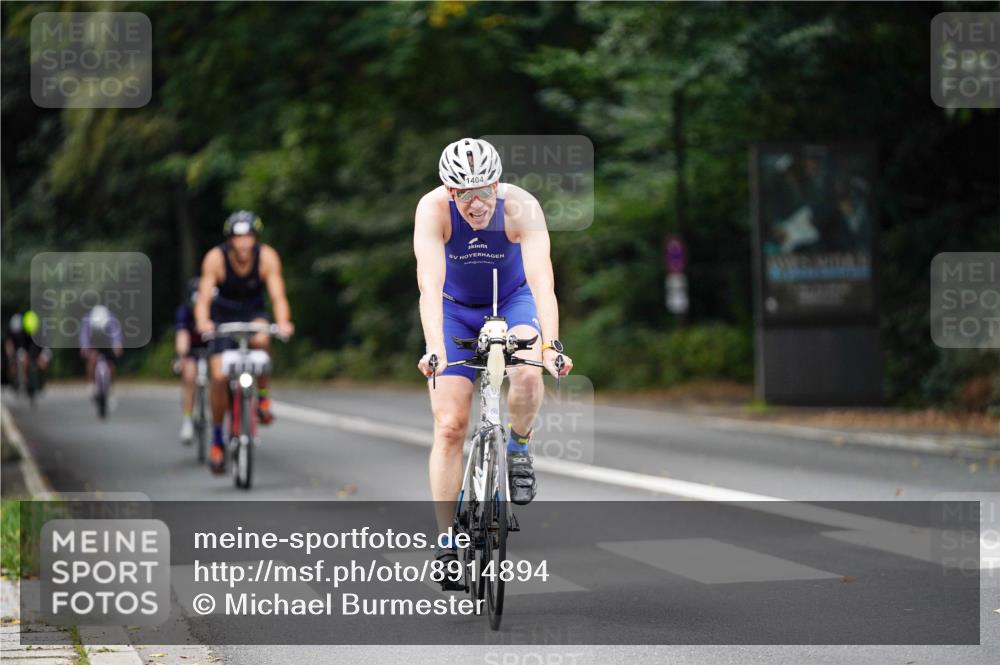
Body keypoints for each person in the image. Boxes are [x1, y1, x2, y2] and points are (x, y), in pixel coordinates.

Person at [413, 138, 573, 586]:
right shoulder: (432, 211)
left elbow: (543, 284)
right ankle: (447, 542)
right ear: (449, 192)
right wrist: (434, 349)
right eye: (464, 194)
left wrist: (551, 346)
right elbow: (429, 285)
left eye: (484, 190)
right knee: (449, 425)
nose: (476, 203)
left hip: (513, 301)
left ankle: (519, 446)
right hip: (454, 308)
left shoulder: (522, 207)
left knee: (527, 368)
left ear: (497, 184)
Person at [194, 210, 294, 475]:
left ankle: (262, 398)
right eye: (238, 238)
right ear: (230, 240)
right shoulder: (215, 259)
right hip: (223, 317)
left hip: (253, 313)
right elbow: (203, 298)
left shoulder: (267, 257)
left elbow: (278, 296)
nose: (243, 244)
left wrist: (283, 323)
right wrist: (204, 322)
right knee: (218, 376)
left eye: (248, 237)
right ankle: (217, 440)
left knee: (262, 337)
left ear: (255, 238)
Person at [175, 277, 211, 444]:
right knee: (189, 376)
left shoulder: (216, 308)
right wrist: (182, 355)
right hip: (193, 350)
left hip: (213, 348)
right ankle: (187, 420)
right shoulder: (185, 311)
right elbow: (182, 335)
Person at [79, 305, 124, 392]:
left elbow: (116, 335)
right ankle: (91, 382)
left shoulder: (111, 319)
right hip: (93, 343)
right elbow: (84, 337)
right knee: (91, 360)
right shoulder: (86, 320)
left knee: (110, 363)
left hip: (107, 343)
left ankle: (111, 387)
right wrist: (85, 349)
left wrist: (117, 345)